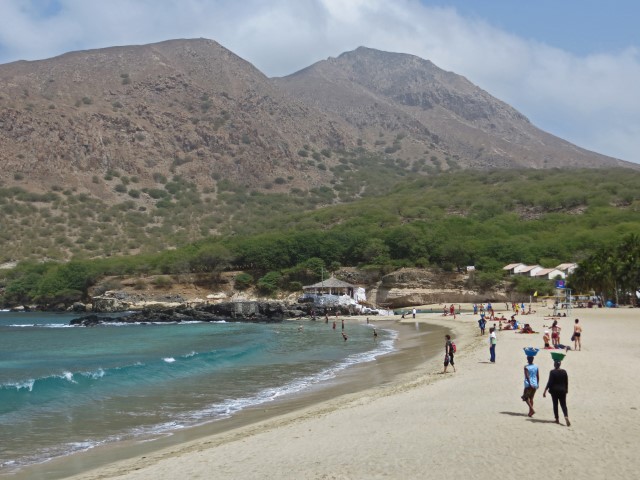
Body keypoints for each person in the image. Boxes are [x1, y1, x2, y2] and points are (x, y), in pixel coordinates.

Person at [543, 361, 570, 426]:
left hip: (554, 391)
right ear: (560, 364)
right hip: (562, 390)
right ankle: (566, 416)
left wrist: (545, 390)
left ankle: (557, 419)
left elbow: (550, 382)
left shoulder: (552, 372)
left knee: (555, 405)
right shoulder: (564, 371)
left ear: (554, 365)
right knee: (563, 404)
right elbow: (566, 381)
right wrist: (566, 390)